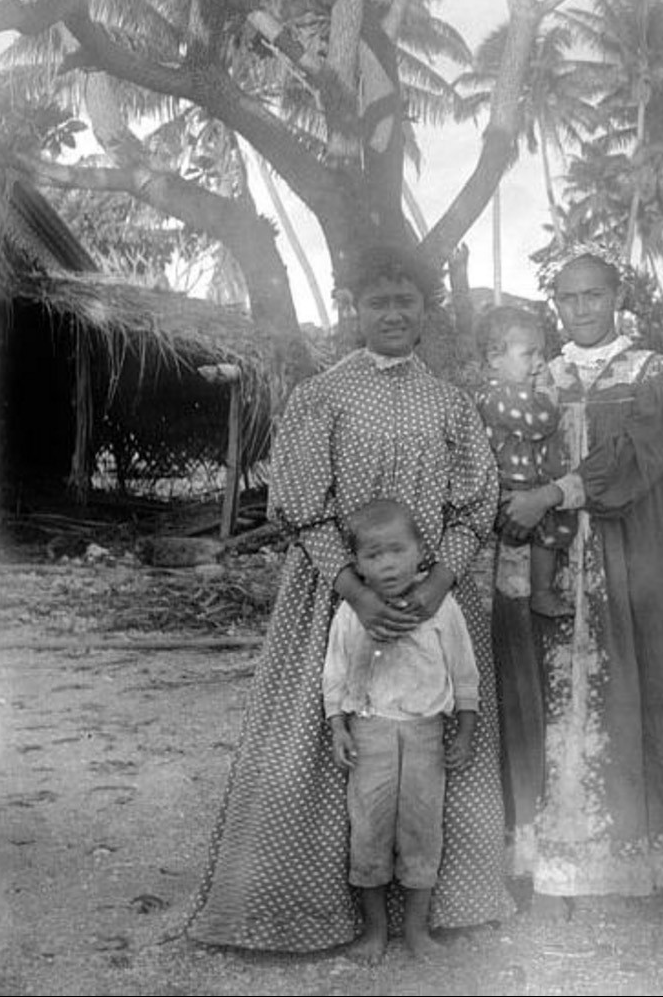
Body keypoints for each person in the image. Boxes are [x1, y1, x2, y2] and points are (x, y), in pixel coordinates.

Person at [188, 243, 512, 952]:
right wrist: (356, 595)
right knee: (332, 741)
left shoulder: (451, 402)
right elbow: (301, 504)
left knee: (433, 747)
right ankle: (318, 910)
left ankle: (431, 912)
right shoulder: (321, 396)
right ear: (353, 309)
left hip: (433, 603)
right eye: (378, 301)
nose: (393, 313)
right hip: (335, 600)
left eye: (406, 301)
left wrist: (434, 585)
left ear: (427, 311)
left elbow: (475, 503)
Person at [497, 241, 663, 910]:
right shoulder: (543, 374)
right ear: (554, 304)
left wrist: (553, 493)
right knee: (557, 689)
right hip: (555, 552)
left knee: (645, 679)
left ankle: (639, 853)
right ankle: (558, 855)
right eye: (568, 297)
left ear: (617, 297)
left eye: (593, 294)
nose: (581, 307)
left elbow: (637, 457)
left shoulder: (652, 371)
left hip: (636, 546)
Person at [323, 499, 480, 963]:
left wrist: (466, 733)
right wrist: (338, 728)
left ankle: (416, 931)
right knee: (368, 831)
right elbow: (334, 674)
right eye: (373, 555)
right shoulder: (353, 613)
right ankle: (375, 931)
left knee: (422, 830)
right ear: (356, 564)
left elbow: (464, 673)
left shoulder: (442, 608)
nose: (387, 564)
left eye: (396, 551)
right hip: (369, 733)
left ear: (421, 552)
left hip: (426, 735)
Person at [477, 306, 576, 620]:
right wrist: (549, 393)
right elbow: (541, 421)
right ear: (495, 359)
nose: (539, 363)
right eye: (529, 354)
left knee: (547, 531)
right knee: (522, 548)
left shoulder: (513, 392)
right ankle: (536, 596)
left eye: (542, 353)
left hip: (527, 484)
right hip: (510, 486)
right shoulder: (499, 395)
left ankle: (537, 594)